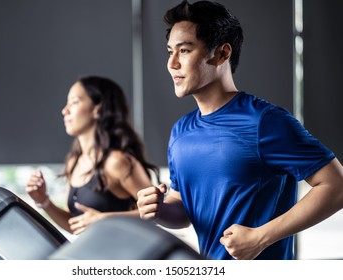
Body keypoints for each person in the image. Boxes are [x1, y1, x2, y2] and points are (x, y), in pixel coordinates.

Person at [136, 0, 343, 260]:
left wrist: (261, 237)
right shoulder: (180, 131)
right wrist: (159, 210)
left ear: (222, 53)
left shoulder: (265, 121)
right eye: (170, 52)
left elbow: (336, 185)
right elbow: (184, 210)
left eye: (185, 51)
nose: (172, 63)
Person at [26, 76, 159, 235]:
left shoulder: (117, 162)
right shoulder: (73, 162)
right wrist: (43, 201)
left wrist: (104, 219)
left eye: (74, 102)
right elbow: (75, 225)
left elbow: (157, 211)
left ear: (98, 109)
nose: (65, 110)